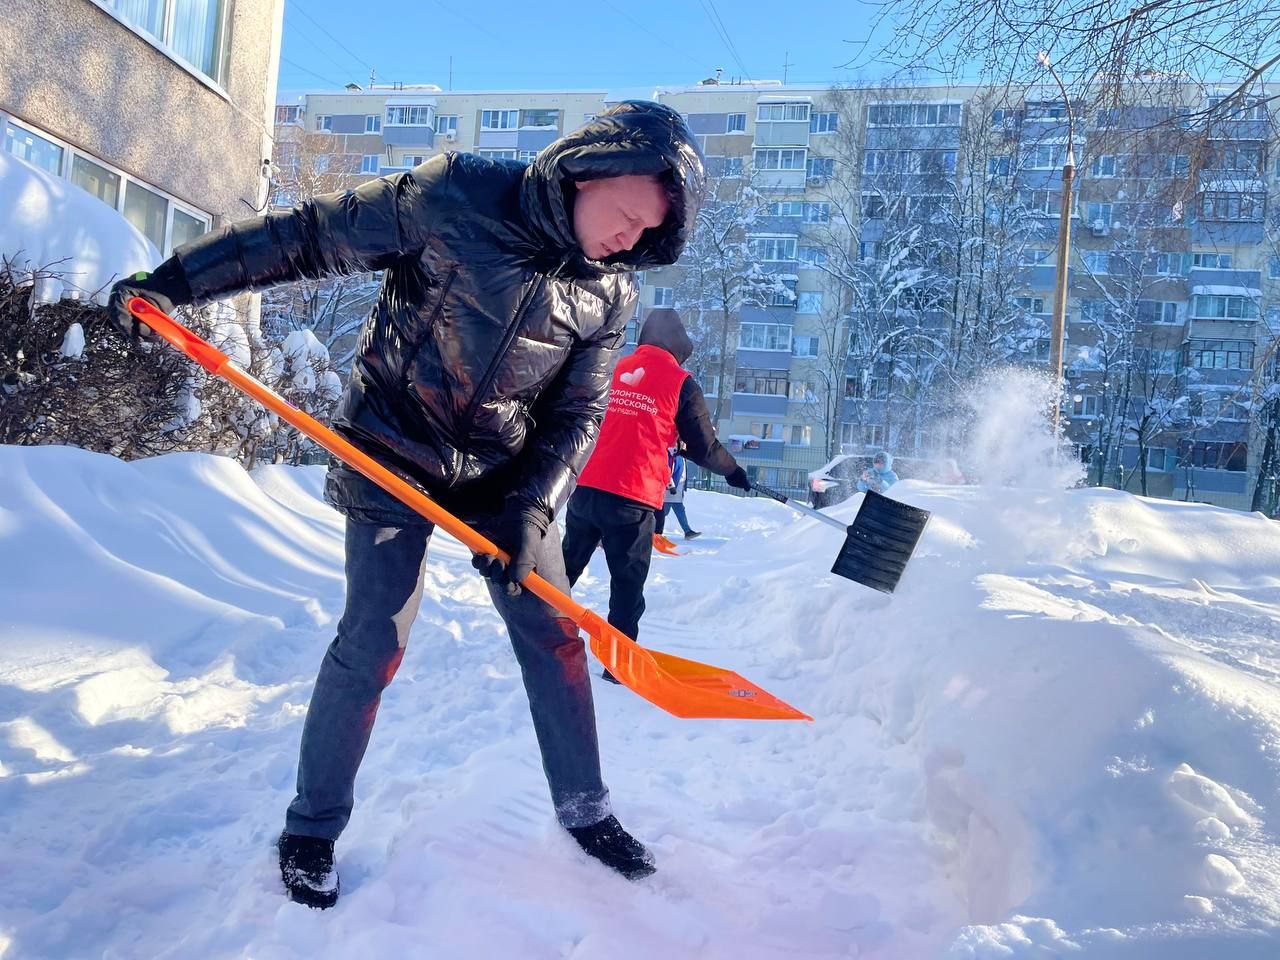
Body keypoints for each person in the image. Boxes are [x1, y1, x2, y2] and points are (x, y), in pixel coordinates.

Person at [108, 102, 706, 907]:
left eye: (646, 234)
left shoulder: (609, 293)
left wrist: (533, 512)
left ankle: (585, 807)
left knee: (555, 630)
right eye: (628, 215)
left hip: (505, 472)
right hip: (391, 444)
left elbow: (577, 415)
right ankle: (311, 829)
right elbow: (307, 236)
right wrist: (178, 280)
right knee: (374, 638)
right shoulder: (455, 194)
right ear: (590, 168)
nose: (628, 239)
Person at [561, 309, 749, 683]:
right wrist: (734, 472)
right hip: (631, 496)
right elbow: (704, 447)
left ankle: (538, 634)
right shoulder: (681, 382)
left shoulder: (614, 367)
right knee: (627, 585)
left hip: (585, 486)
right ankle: (618, 666)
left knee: (565, 570)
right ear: (677, 349)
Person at [655, 447, 699, 539]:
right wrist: (670, 485)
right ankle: (654, 531)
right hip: (671, 488)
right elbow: (668, 469)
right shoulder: (673, 454)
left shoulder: (682, 456)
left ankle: (687, 531)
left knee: (679, 510)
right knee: (664, 511)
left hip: (678, 487)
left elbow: (682, 472)